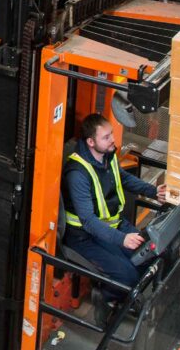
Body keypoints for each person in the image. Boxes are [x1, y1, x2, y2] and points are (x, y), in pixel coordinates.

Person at [61, 113, 160, 293]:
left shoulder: (107, 155)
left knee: (149, 257)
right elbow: (88, 221)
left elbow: (123, 178)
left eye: (111, 134)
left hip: (112, 225)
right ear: (91, 142)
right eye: (106, 137)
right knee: (128, 277)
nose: (113, 140)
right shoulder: (78, 174)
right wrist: (122, 239)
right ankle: (107, 299)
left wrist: (154, 192)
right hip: (85, 236)